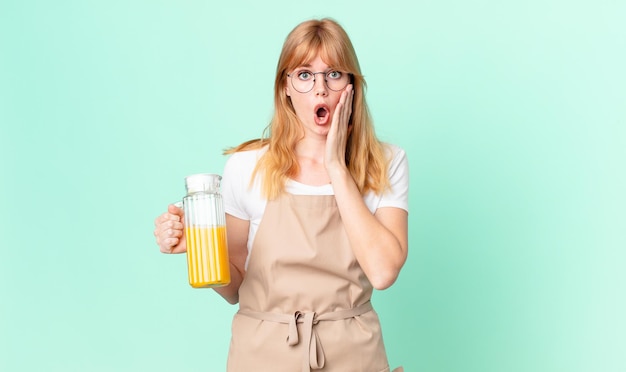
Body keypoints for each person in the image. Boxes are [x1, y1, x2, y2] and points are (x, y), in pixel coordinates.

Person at [154, 18, 408, 372]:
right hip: (262, 355)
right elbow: (234, 286)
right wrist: (196, 246)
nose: (320, 89)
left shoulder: (385, 163)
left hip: (354, 356)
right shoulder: (247, 167)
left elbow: (382, 273)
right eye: (305, 75)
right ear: (285, 87)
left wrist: (336, 166)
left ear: (351, 85)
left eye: (333, 74)